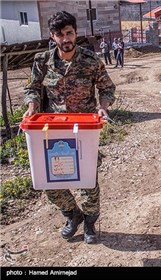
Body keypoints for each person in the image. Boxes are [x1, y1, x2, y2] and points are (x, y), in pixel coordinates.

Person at [23, 11, 116, 244]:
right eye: (60, 34)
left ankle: (90, 224)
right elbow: (31, 87)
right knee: (50, 182)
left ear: (75, 33)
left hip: (84, 130)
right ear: (53, 37)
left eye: (69, 33)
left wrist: (102, 107)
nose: (66, 39)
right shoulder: (41, 61)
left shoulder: (90, 60)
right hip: (52, 130)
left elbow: (107, 88)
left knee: (87, 181)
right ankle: (72, 214)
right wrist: (32, 106)